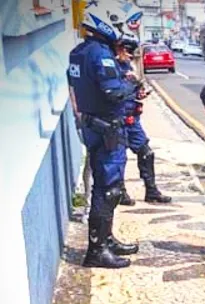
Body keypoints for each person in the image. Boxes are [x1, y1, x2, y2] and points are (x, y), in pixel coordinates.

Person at [68, 0, 144, 269]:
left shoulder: (77, 52)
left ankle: (106, 239)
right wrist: (130, 84)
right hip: (107, 127)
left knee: (104, 185)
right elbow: (112, 92)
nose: (120, 29)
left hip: (91, 124)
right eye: (117, 23)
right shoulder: (100, 54)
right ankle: (97, 249)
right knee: (108, 189)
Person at [115, 34, 172, 205]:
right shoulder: (112, 67)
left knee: (146, 153)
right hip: (119, 119)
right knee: (118, 158)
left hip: (133, 119)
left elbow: (134, 88)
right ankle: (120, 192)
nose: (131, 56)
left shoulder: (127, 66)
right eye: (128, 52)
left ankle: (152, 191)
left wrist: (139, 92)